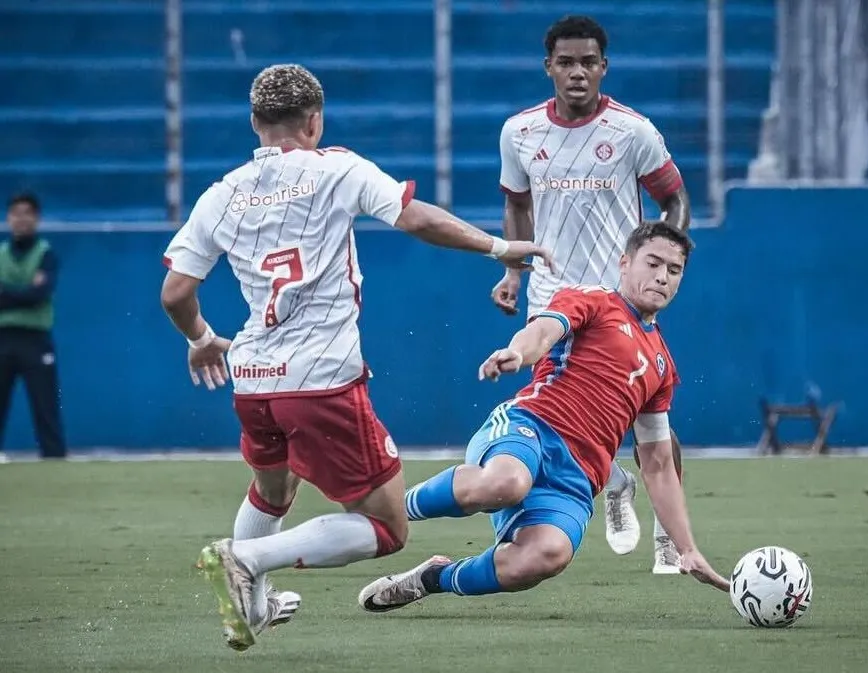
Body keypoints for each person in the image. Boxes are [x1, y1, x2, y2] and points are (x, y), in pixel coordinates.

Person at [159, 63, 553, 651]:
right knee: (389, 528)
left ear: (254, 123)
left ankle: (252, 605)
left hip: (252, 379)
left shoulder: (221, 193)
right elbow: (414, 216)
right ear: (314, 121)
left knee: (272, 490)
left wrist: (199, 340)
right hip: (320, 383)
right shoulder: (336, 167)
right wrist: (499, 246)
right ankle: (244, 558)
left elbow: (175, 292)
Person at [358, 221, 727, 613]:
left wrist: (687, 549)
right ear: (625, 262)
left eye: (674, 270)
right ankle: (389, 508)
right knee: (506, 482)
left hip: (576, 480)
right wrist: (518, 353)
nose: (662, 277)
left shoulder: (662, 365)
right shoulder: (594, 300)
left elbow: (657, 464)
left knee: (547, 555)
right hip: (532, 427)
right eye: (653, 263)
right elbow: (543, 332)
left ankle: (433, 578)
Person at [487, 15, 692, 572]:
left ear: (603, 67)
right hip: (553, 305)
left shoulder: (633, 132)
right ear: (548, 67)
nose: (577, 72)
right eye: (566, 62)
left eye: (588, 62)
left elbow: (675, 199)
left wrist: (665, 256)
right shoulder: (519, 132)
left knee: (653, 424)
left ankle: (669, 535)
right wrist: (513, 270)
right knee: (562, 419)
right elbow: (517, 204)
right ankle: (614, 482)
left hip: (620, 300)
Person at [0, 193, 66, 460]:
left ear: (36, 218)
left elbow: (39, 294)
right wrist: (25, 291)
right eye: (16, 213)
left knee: (45, 405)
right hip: (3, 338)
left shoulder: (46, 253)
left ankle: (54, 458)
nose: (21, 219)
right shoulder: (2, 254)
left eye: (27, 213)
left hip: (36, 340)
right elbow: (30, 293)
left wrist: (7, 293)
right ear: (8, 217)